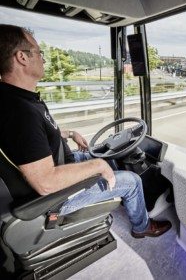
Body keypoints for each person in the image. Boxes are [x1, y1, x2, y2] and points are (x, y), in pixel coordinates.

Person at [0, 24, 171, 238]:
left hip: (63, 162)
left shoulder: (17, 98)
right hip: (59, 196)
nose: (43, 58)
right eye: (38, 52)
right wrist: (97, 165)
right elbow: (46, 183)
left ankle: (112, 188)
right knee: (131, 180)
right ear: (21, 58)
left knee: (101, 153)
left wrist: (69, 133)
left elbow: (35, 138)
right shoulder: (19, 113)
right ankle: (141, 227)